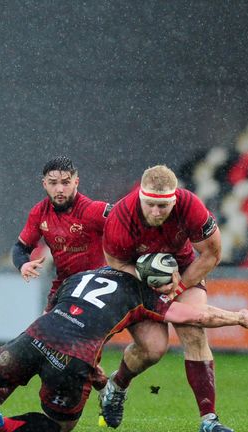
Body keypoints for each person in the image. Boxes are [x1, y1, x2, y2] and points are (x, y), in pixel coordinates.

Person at [0, 265, 248, 432]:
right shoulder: (145, 296)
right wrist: (237, 317)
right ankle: (1, 426)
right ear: (154, 278)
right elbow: (192, 318)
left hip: (34, 335)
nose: (173, 287)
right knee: (58, 426)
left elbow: (72, 308)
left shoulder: (83, 274)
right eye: (169, 281)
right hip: (72, 357)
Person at [0, 156, 112, 417]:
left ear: (76, 182)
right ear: (44, 184)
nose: (60, 189)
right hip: (63, 291)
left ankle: (108, 391)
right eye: (53, 183)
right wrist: (22, 264)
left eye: (66, 183)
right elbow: (20, 247)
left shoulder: (93, 211)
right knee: (33, 345)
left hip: (93, 295)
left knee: (77, 360)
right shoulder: (39, 212)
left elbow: (128, 224)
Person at [101, 165, 228, 431]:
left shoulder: (190, 205)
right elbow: (115, 262)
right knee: (153, 349)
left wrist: (179, 287)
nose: (156, 212)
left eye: (163, 206)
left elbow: (212, 254)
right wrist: (148, 279)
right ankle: (118, 384)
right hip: (136, 278)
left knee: (194, 331)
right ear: (140, 196)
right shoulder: (121, 218)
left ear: (175, 198)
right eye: (150, 205)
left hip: (182, 272)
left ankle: (209, 420)